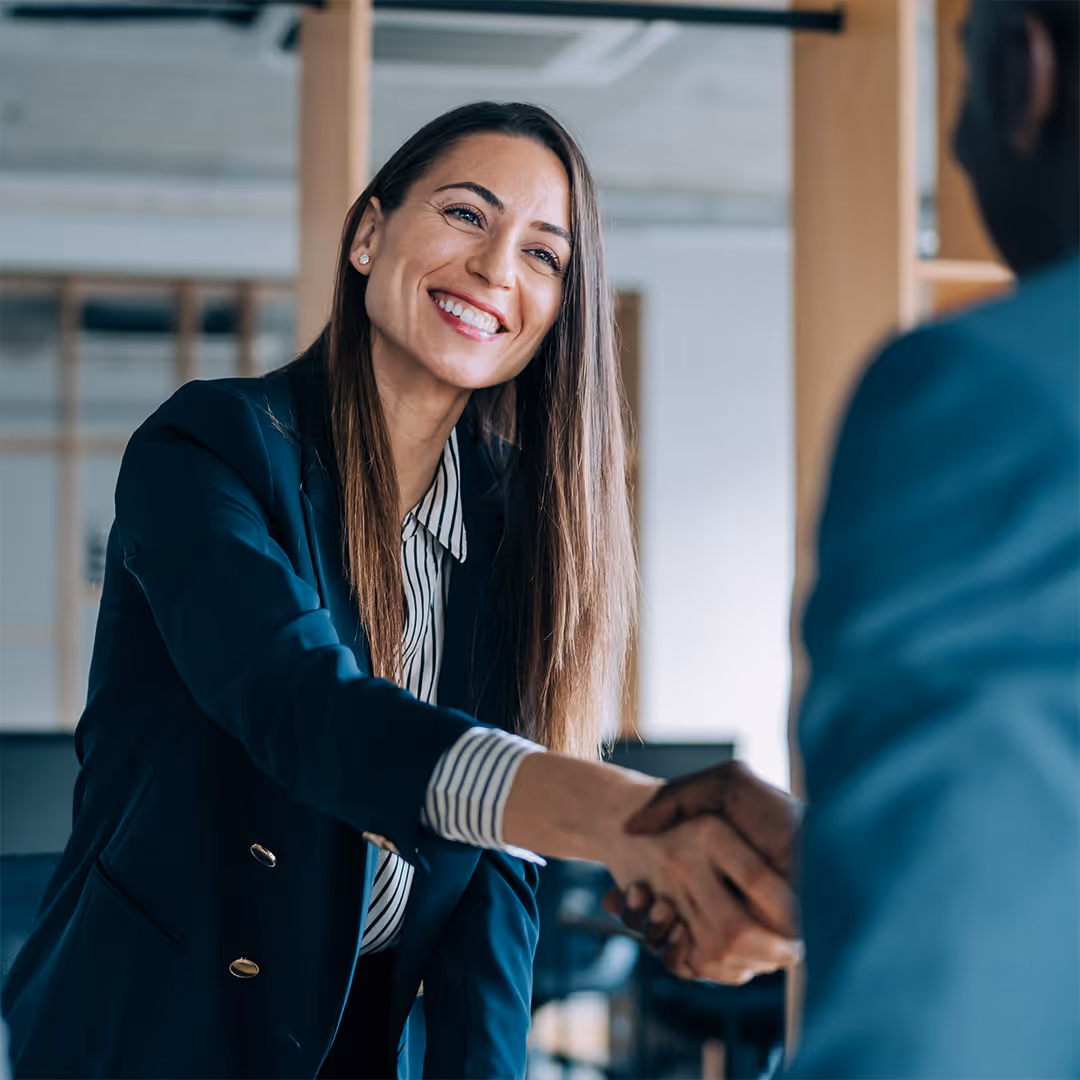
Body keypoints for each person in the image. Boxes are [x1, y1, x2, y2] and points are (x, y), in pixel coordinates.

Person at [0, 102, 800, 1080]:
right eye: (467, 214)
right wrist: (626, 819)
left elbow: (494, 881)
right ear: (370, 234)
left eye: (544, 256)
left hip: (351, 1039)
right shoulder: (209, 448)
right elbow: (301, 709)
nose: (497, 268)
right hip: (144, 1029)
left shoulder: (518, 533)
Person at [611, 0, 1079, 1075]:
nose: (956, 148)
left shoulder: (988, 393)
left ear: (1026, 72)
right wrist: (847, 860)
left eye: (959, 81)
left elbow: (949, 1011)